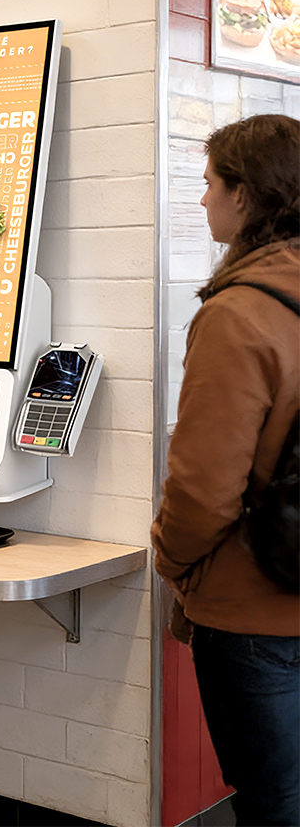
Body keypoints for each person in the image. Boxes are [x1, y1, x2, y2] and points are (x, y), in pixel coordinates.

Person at [152, 113, 299, 826]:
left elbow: (203, 491)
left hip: (254, 609)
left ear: (247, 196)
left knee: (273, 806)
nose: (202, 200)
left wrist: (173, 567)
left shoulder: (240, 314)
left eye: (210, 184)